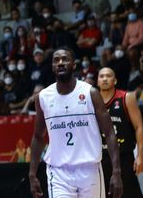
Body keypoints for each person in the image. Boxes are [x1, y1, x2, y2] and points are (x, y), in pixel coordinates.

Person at [29, 47, 123, 198]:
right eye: (56, 60)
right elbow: (38, 136)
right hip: (58, 172)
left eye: (65, 59)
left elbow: (110, 132)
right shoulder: (43, 97)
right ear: (52, 67)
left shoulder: (90, 93)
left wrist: (116, 171)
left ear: (74, 65)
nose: (60, 63)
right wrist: (32, 174)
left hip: (89, 169)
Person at [98, 67, 143, 198]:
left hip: (123, 157)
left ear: (115, 80)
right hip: (100, 160)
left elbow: (139, 127)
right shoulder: (91, 101)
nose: (105, 79)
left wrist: (140, 156)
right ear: (97, 81)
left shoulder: (127, 98)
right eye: (101, 76)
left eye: (108, 76)